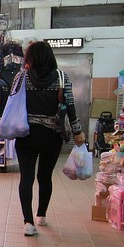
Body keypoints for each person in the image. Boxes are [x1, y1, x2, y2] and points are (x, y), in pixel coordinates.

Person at [14, 41, 85, 236]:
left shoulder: (21, 77)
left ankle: (28, 223)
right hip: (52, 135)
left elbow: (12, 102)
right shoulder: (62, 77)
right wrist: (77, 131)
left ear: (30, 58)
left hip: (26, 133)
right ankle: (41, 215)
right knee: (45, 176)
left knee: (26, 177)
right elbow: (70, 106)